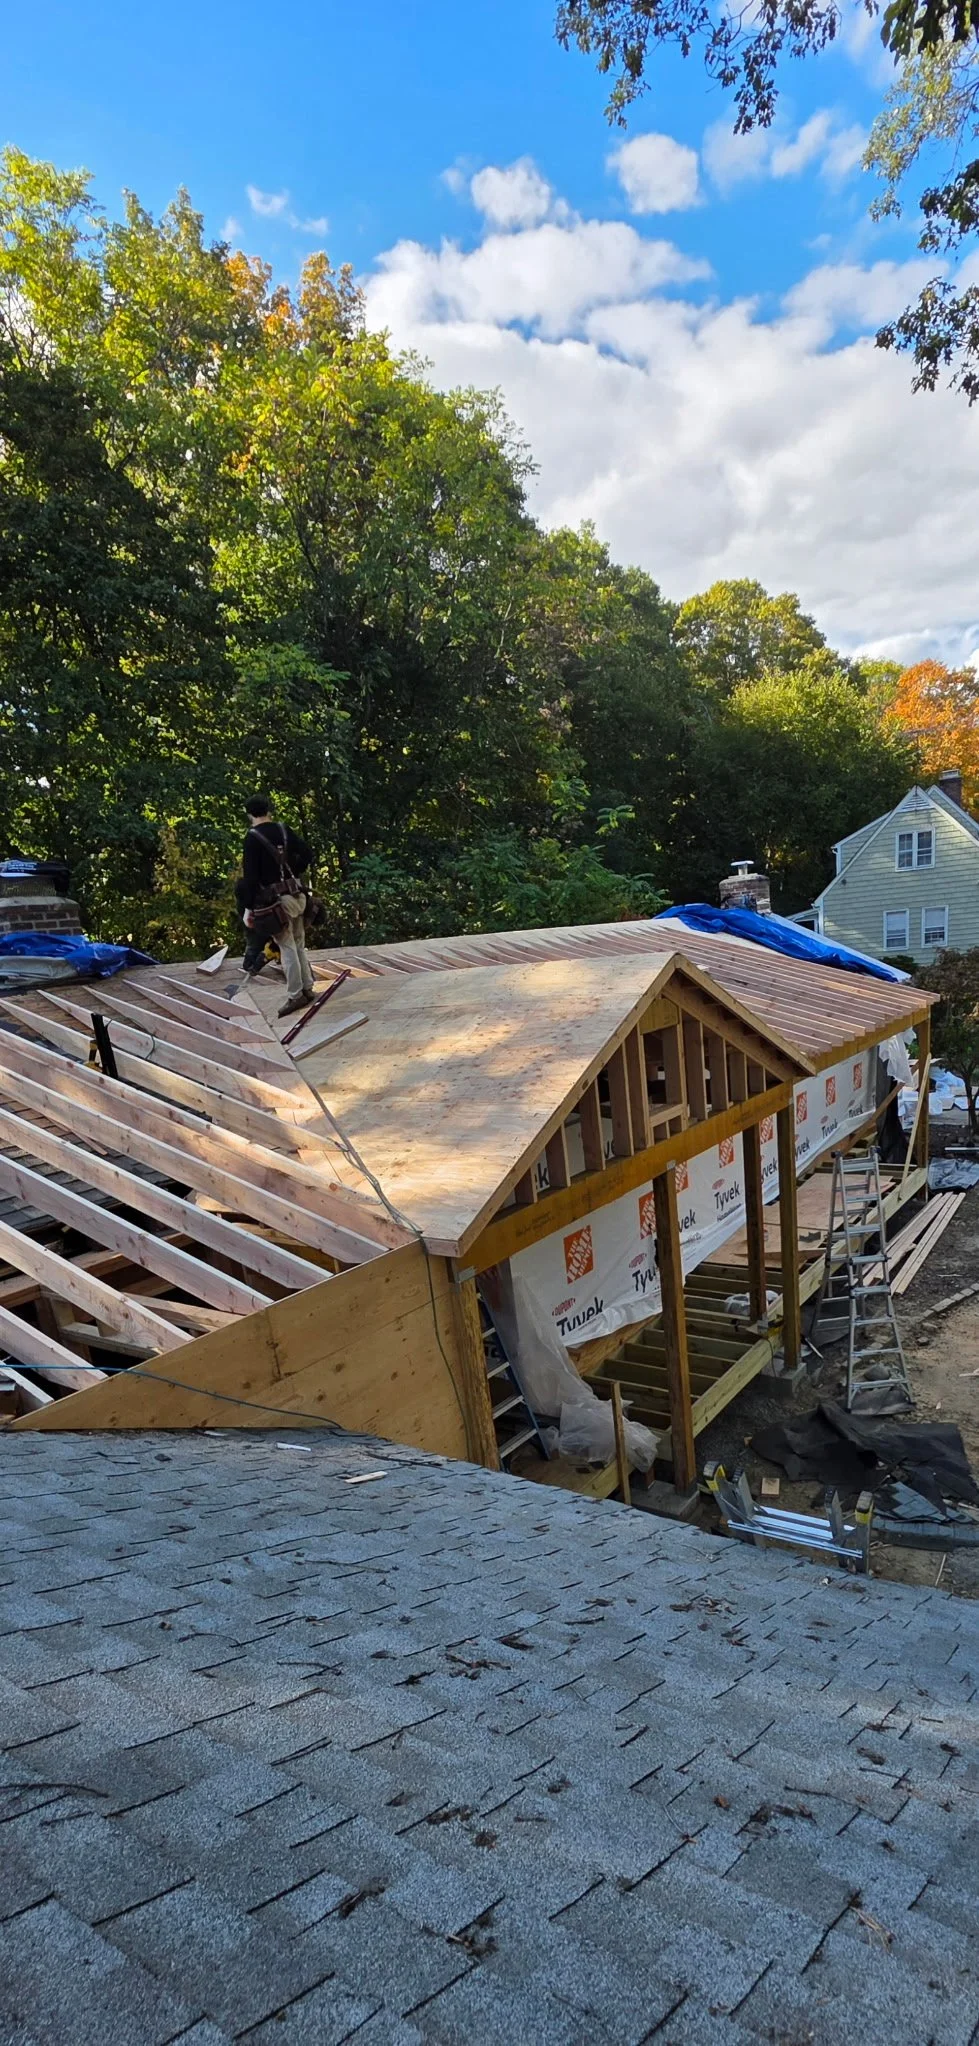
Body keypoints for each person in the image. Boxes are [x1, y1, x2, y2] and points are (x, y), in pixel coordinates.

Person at [240, 794, 315, 1016]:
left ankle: (296, 995)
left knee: (287, 947)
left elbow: (250, 878)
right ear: (268, 810)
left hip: (276, 903)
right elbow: (308, 854)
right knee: (299, 942)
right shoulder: (283, 830)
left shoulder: (252, 838)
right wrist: (295, 871)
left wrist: (248, 907)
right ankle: (308, 987)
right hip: (297, 895)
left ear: (250, 814)